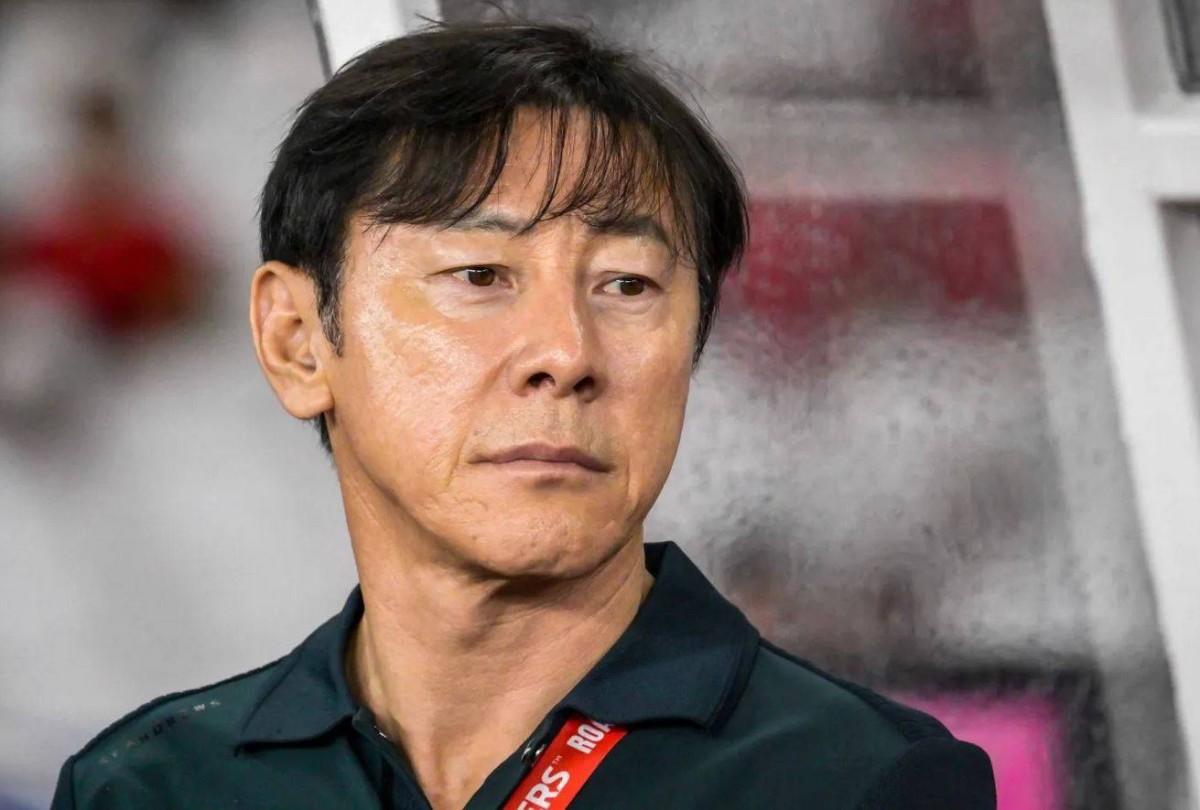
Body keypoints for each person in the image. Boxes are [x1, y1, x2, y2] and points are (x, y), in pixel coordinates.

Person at [50, 21, 996, 809]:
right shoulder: (151, 788)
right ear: (298, 342)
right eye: (481, 276)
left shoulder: (856, 782)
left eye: (628, 284)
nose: (568, 353)